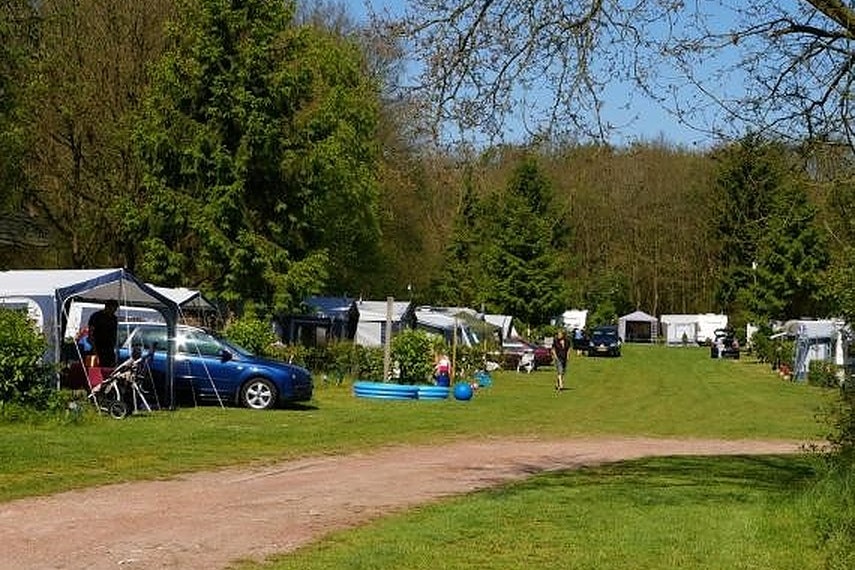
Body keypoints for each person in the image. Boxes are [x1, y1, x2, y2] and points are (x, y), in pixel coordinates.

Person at [87, 299, 119, 367]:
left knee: (110, 365)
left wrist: (114, 343)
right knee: (95, 365)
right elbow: (91, 331)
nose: (114, 311)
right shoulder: (96, 316)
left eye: (115, 309)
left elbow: (114, 332)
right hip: (98, 345)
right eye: (113, 308)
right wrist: (93, 346)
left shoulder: (114, 318)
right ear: (107, 307)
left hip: (109, 348)